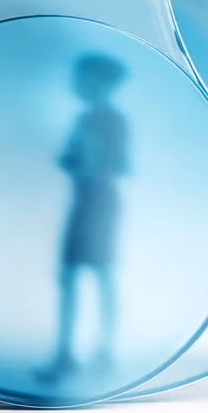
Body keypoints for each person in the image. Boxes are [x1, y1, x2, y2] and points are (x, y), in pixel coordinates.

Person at [38, 54, 128, 381]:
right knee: (72, 277)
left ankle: (101, 351)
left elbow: (116, 164)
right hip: (85, 201)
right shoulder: (86, 119)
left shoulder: (108, 120)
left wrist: (83, 163)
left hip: (98, 201)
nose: (78, 85)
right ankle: (67, 352)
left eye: (84, 79)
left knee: (99, 275)